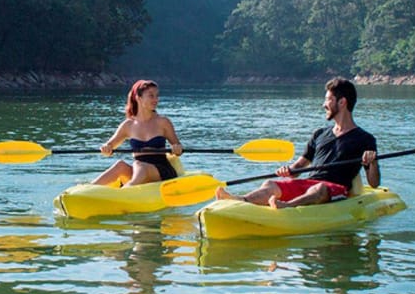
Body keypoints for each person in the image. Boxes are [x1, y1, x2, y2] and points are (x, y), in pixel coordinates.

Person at [216, 77, 379, 209]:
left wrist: (372, 163)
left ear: (342, 102)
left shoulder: (364, 139)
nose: (324, 105)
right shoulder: (320, 134)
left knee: (319, 188)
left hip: (335, 190)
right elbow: (299, 167)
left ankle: (287, 206)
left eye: (328, 99)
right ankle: (240, 200)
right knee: (270, 184)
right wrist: (288, 170)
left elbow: (374, 182)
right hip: (308, 185)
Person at [91, 80, 183, 187]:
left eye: (157, 96)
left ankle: (126, 190)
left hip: (161, 171)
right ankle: (85, 190)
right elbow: (110, 145)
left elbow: (177, 148)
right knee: (120, 165)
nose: (156, 99)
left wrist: (177, 149)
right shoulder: (128, 125)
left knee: (140, 165)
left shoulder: (163, 122)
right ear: (139, 98)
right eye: (151, 96)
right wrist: (106, 148)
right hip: (139, 171)